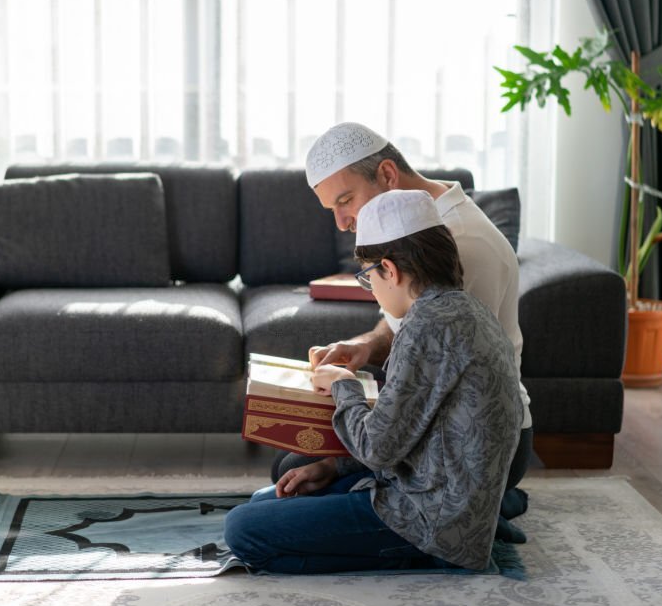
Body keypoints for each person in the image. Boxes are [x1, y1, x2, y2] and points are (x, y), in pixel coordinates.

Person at [224, 190, 524, 573]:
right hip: (440, 495)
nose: (373, 290)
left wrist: (341, 383)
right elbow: (409, 438)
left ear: (390, 270)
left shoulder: (426, 327)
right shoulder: (463, 309)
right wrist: (333, 468)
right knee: (265, 501)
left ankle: (414, 556)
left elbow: (378, 448)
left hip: (431, 520)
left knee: (243, 529)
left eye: (369, 278)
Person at [273, 122, 532, 522]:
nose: (342, 223)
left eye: (346, 200)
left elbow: (445, 381)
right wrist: (363, 347)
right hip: (430, 414)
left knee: (299, 470)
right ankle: (492, 508)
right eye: (333, 209)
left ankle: (489, 506)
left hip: (474, 443)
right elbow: (403, 332)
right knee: (290, 462)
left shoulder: (464, 243)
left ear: (388, 175)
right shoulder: (414, 222)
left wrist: (349, 439)